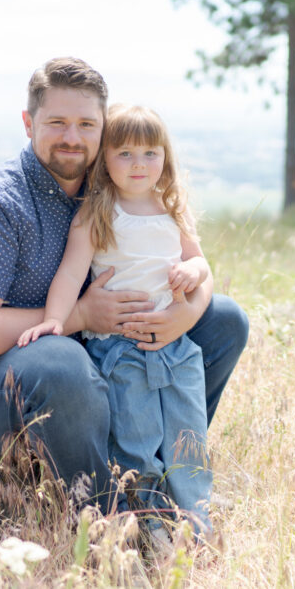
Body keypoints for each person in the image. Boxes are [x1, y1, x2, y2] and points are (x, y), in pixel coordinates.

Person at [0, 57, 248, 515]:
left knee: (223, 320)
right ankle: (109, 514)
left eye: (87, 124)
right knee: (62, 360)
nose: (72, 137)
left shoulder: (115, 188)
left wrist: (185, 311)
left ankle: (158, 471)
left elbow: (193, 259)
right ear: (28, 123)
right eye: (57, 123)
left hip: (102, 349)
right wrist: (78, 316)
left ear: (105, 129)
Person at [18, 104, 213, 534]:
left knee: (188, 441)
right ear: (104, 158)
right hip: (120, 349)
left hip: (175, 348)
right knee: (136, 443)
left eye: (150, 153)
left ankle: (198, 528)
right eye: (124, 153)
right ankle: (150, 529)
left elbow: (198, 260)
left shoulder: (171, 207)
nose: (139, 164)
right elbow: (71, 272)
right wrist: (56, 319)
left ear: (165, 157)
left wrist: (191, 273)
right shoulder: (99, 211)